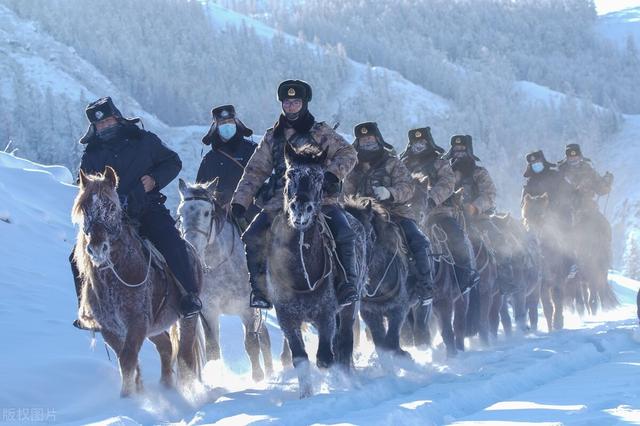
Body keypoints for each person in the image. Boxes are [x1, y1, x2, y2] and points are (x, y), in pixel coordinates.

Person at [71, 97, 202, 329]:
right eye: (100, 125)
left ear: (118, 118)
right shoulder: (91, 153)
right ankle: (88, 309)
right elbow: (84, 183)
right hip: (108, 218)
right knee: (76, 255)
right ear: (94, 128)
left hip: (147, 208)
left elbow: (173, 162)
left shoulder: (144, 141)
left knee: (171, 242)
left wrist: (155, 180)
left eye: (108, 121)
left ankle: (188, 295)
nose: (105, 127)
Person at [230, 80, 359, 309]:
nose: (290, 107)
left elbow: (348, 153)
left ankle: (347, 284)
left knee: (344, 232)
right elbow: (256, 170)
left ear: (304, 104)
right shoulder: (273, 136)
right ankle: (260, 290)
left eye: (295, 102)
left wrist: (331, 175)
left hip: (319, 197)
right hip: (280, 200)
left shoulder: (320, 132)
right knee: (251, 237)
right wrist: (240, 200)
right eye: (287, 103)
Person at [343, 122, 434, 302]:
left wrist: (389, 193)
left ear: (378, 139)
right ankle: (344, 285)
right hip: (364, 215)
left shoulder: (392, 162)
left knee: (417, 240)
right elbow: (346, 192)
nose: (367, 142)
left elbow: (408, 187)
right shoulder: (354, 167)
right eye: (363, 140)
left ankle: (425, 285)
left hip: (395, 214)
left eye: (370, 138)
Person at [401, 127, 479, 293]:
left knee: (456, 236)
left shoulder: (440, 162)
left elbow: (447, 183)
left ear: (428, 142)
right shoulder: (403, 164)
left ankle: (464, 275)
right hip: (408, 214)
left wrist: (430, 200)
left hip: (438, 212)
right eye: (415, 143)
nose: (418, 146)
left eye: (422, 142)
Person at [445, 135, 512, 281]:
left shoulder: (479, 172)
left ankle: (505, 280)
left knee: (498, 238)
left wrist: (475, 206)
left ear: (469, 150)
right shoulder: (445, 173)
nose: (459, 153)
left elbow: (489, 194)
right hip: (451, 217)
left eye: (462, 149)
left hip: (477, 218)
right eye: (456, 149)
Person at [196, 104, 256, 210]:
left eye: (230, 122)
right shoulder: (209, 158)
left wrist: (236, 202)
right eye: (223, 123)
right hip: (215, 212)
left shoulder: (252, 150)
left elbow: (260, 180)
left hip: (248, 208)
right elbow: (200, 190)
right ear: (215, 127)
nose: (227, 125)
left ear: (236, 123)